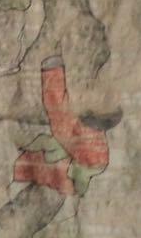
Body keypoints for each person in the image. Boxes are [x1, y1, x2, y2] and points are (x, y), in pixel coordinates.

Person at [13, 54, 120, 199]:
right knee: (55, 124)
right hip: (80, 151)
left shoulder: (76, 129)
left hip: (86, 159)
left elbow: (57, 105)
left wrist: (53, 70)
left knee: (56, 118)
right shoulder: (81, 130)